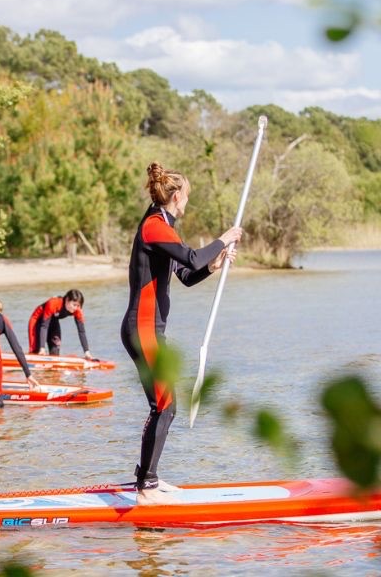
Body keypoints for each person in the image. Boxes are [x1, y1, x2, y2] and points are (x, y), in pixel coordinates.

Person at [121, 161, 242, 505]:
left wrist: (214, 265)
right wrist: (224, 239)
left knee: (164, 406)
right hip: (142, 329)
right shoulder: (154, 226)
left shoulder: (165, 228)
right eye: (187, 195)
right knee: (165, 405)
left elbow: (187, 274)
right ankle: (147, 485)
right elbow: (191, 256)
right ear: (176, 196)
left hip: (151, 332)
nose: (188, 201)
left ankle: (147, 480)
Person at [27, 289, 93, 359]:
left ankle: (52, 370)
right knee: (36, 352)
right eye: (74, 305)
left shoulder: (77, 310)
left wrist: (87, 352)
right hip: (37, 321)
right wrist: (42, 348)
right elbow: (44, 326)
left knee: (55, 353)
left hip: (53, 321)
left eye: (78, 305)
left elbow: (81, 332)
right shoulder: (54, 303)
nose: (76, 308)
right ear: (67, 300)